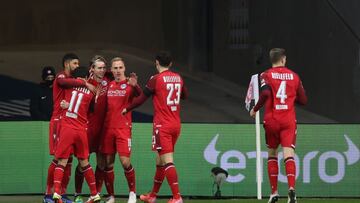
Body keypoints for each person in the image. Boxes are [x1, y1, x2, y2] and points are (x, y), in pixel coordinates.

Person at [122, 51, 188, 203]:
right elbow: (184, 95)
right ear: (170, 64)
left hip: (162, 125)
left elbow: (141, 99)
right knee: (160, 161)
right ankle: (152, 196)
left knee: (168, 161)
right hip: (175, 124)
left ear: (156, 62)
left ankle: (177, 197)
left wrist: (127, 108)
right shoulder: (178, 78)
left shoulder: (155, 79)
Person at [250, 48, 307, 203]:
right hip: (288, 120)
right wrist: (290, 97)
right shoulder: (294, 76)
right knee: (289, 155)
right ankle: (291, 189)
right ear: (284, 59)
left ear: (272, 60)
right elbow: (303, 100)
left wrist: (255, 109)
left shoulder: (266, 75)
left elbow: (266, 94)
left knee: (272, 154)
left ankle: (274, 192)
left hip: (272, 120)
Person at [43, 53, 95, 203]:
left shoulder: (75, 82)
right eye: (75, 63)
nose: (77, 66)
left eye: (78, 64)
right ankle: (48, 194)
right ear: (66, 64)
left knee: (67, 161)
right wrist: (85, 83)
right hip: (59, 121)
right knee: (58, 159)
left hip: (70, 123)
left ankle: (62, 194)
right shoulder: (61, 77)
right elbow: (65, 83)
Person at [53, 66, 101, 203]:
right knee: (84, 163)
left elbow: (62, 84)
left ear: (75, 78)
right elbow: (92, 110)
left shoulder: (68, 87)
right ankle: (94, 194)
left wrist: (66, 105)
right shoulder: (91, 93)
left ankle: (57, 192)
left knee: (61, 161)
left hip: (67, 128)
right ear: (86, 77)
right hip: (81, 130)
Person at [98, 57, 141, 203]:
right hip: (108, 129)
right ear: (112, 70)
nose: (117, 71)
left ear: (124, 68)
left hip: (123, 129)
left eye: (120, 68)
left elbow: (141, 97)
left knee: (125, 162)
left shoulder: (130, 84)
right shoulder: (108, 85)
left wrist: (136, 86)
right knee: (108, 163)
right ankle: (111, 196)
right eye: (115, 68)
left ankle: (132, 193)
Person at [73, 55, 110, 203]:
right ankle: (77, 194)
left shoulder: (108, 83)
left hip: (102, 130)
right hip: (86, 129)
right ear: (92, 69)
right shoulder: (85, 83)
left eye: (103, 68)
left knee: (102, 163)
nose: (101, 71)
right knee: (83, 163)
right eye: (98, 68)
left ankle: (95, 194)